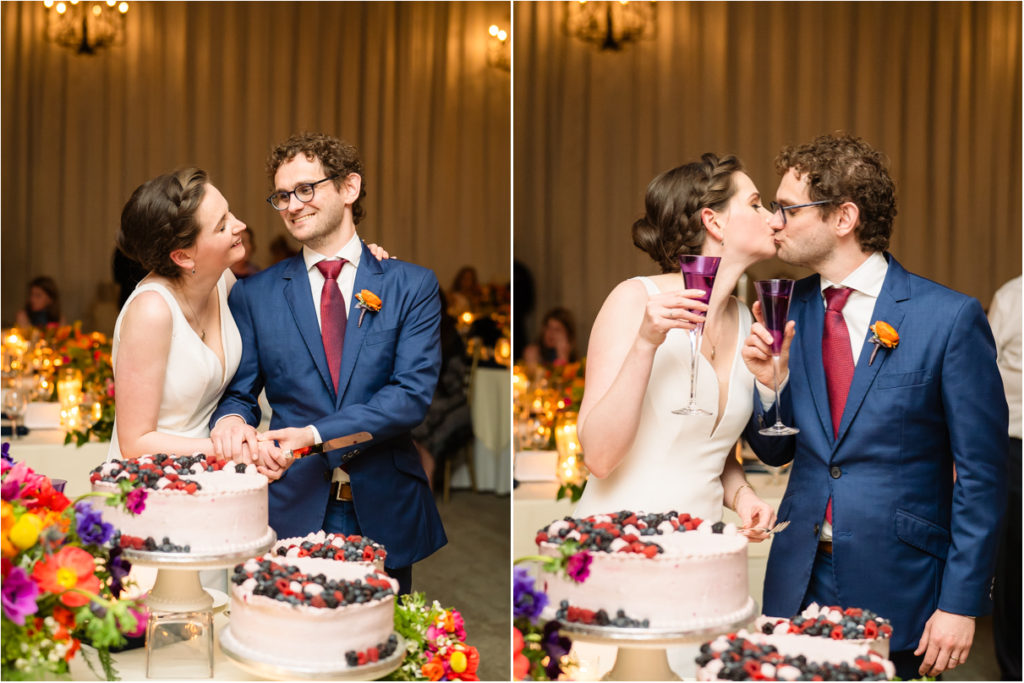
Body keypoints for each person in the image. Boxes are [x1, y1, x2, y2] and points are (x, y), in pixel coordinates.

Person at [741, 133, 1007, 680]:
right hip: (799, 571)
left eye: (788, 209)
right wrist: (771, 387)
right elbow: (773, 453)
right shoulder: (788, 309)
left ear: (844, 217)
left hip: (902, 575)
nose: (774, 221)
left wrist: (960, 603)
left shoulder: (948, 319)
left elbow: (982, 477)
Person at [210, 132, 447, 595]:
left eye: (306, 189)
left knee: (377, 649)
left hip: (384, 500)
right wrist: (235, 421)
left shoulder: (410, 286)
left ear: (349, 188)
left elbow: (409, 397)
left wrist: (315, 435)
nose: (293, 205)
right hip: (293, 500)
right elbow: (239, 392)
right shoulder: (256, 294)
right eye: (282, 196)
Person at [575, 153, 777, 537]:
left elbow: (706, 448)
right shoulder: (634, 301)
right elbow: (598, 459)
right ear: (714, 222)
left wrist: (743, 496)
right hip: (622, 542)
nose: (771, 216)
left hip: (703, 548)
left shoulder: (748, 319)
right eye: (755, 204)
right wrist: (645, 344)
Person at [987, 275, 1021, 681]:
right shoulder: (1013, 297)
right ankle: (1014, 669)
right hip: (1017, 450)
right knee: (1016, 565)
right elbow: (983, 373)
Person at [411, 290, 473, 490]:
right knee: (406, 416)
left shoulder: (449, 332)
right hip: (427, 396)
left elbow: (454, 380)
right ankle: (421, 478)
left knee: (418, 420)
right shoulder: (415, 329)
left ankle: (426, 474)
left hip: (449, 399)